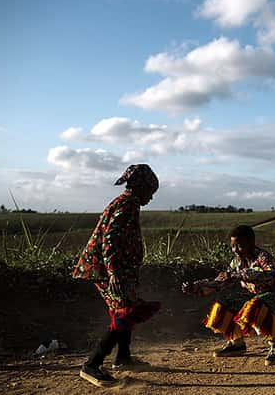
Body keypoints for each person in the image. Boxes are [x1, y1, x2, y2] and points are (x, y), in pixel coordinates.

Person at [72, 164, 161, 387]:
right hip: (108, 270)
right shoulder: (128, 204)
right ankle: (92, 365)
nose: (151, 197)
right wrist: (113, 272)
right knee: (125, 313)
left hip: (114, 270)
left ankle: (123, 358)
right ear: (141, 187)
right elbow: (110, 239)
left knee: (123, 309)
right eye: (150, 192)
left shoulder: (126, 202)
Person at [183, 225, 275, 366]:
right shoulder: (236, 262)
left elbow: (270, 275)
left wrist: (243, 274)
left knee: (255, 305)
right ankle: (237, 343)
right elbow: (220, 282)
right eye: (233, 246)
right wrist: (199, 287)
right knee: (224, 304)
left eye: (239, 246)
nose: (235, 250)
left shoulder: (263, 256)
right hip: (255, 296)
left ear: (251, 244)